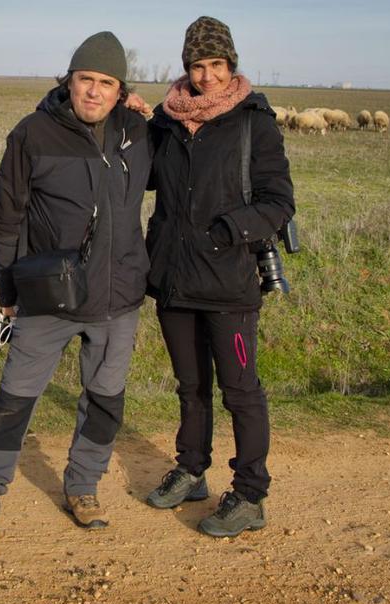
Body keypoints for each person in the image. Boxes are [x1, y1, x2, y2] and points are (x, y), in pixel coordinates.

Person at [0, 32, 153, 552]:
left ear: (120, 89)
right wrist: (9, 289)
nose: (93, 91)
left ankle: (83, 487)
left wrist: (151, 110)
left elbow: (190, 130)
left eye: (106, 83)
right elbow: (2, 217)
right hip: (50, 296)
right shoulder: (33, 133)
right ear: (69, 80)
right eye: (85, 79)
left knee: (105, 401)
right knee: (14, 400)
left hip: (119, 298)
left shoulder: (137, 131)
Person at [142, 16, 295, 537]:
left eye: (216, 65)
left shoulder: (255, 120)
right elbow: (140, 179)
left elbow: (279, 202)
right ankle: (191, 469)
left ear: (231, 66)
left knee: (240, 391)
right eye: (197, 66)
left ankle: (250, 494)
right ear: (185, 67)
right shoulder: (164, 121)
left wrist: (229, 230)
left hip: (229, 284)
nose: (206, 76)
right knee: (190, 387)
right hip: (174, 282)